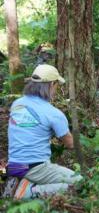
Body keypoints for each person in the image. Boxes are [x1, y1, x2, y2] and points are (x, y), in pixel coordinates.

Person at [4, 64, 82, 199]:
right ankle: (27, 192)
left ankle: (24, 181)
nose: (57, 89)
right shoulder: (53, 114)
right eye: (57, 85)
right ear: (51, 85)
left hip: (14, 165)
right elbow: (71, 144)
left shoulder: (17, 104)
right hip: (35, 168)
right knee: (80, 182)